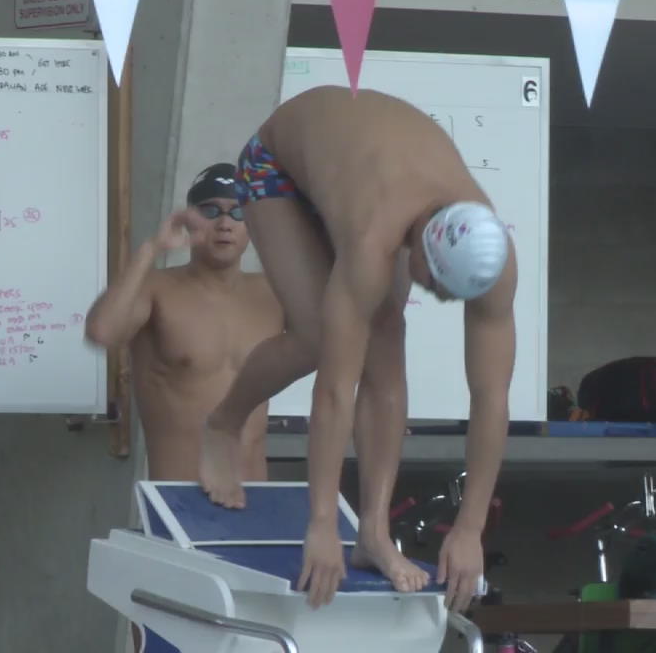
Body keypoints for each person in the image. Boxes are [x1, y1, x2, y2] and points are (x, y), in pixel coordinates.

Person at [198, 85, 517, 614]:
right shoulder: (376, 238)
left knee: (388, 341)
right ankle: (223, 423)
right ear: (423, 245)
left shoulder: (493, 262)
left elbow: (492, 399)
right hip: (277, 165)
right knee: (320, 341)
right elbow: (333, 394)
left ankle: (373, 534)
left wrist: (470, 529)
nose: (438, 298)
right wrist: (321, 522)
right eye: (436, 286)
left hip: (358, 172)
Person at [85, 163, 285, 483]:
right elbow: (102, 332)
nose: (224, 224)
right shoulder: (157, 289)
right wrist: (151, 249)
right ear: (190, 220)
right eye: (211, 211)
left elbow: (343, 335)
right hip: (179, 500)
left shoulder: (273, 294)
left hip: (256, 501)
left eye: (238, 212)